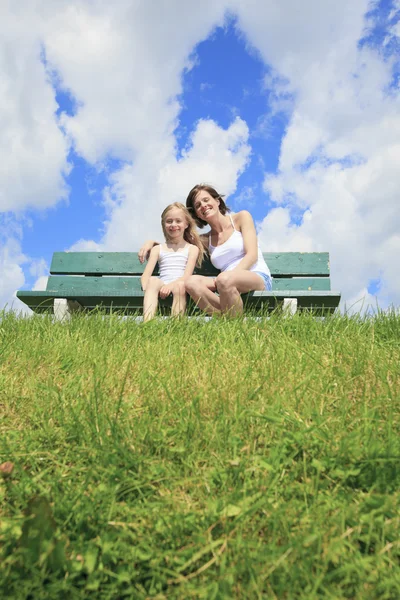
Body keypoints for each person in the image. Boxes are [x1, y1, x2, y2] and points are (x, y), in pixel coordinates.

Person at [139, 184, 271, 316]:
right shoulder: (204, 240)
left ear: (217, 201)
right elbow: (175, 240)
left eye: (206, 200)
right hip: (224, 283)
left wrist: (227, 278)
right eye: (197, 205)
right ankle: (226, 319)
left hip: (256, 275)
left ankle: (234, 325)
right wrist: (151, 243)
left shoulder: (241, 217)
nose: (203, 205)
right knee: (190, 283)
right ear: (197, 214)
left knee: (224, 280)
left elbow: (252, 255)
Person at [141, 202, 204, 321]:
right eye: (169, 221)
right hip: (161, 284)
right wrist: (148, 289)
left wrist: (170, 286)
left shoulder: (192, 249)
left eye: (178, 221)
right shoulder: (157, 249)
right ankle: (147, 323)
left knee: (180, 286)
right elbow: (146, 275)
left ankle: (176, 325)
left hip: (180, 285)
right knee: (153, 280)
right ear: (164, 224)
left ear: (186, 224)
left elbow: (186, 276)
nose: (173, 225)